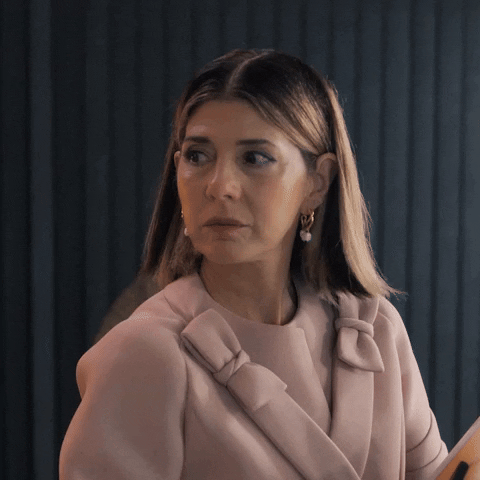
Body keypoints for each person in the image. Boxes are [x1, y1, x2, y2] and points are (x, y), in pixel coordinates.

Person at [59, 49, 448, 479]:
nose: (219, 186)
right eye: (197, 156)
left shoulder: (378, 331)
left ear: (317, 183)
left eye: (255, 158)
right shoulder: (144, 356)